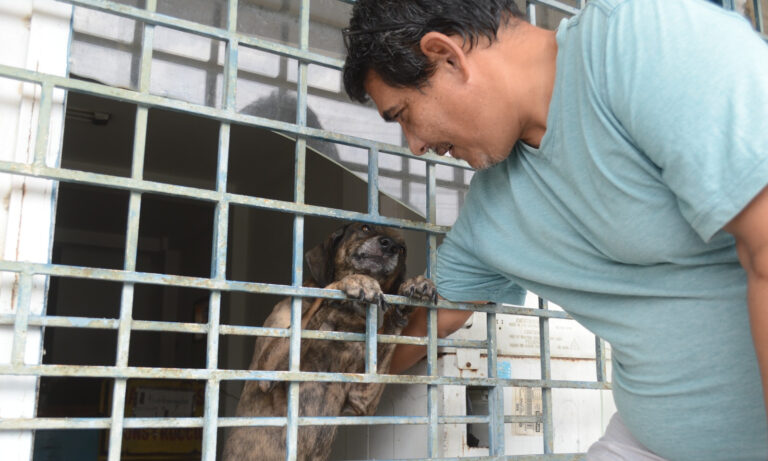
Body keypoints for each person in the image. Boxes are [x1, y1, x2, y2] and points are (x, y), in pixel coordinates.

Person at [342, 0, 768, 460]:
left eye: (403, 113)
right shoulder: (490, 212)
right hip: (648, 442)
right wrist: (303, 377)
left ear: (446, 56)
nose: (416, 145)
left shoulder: (641, 42)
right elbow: (423, 327)